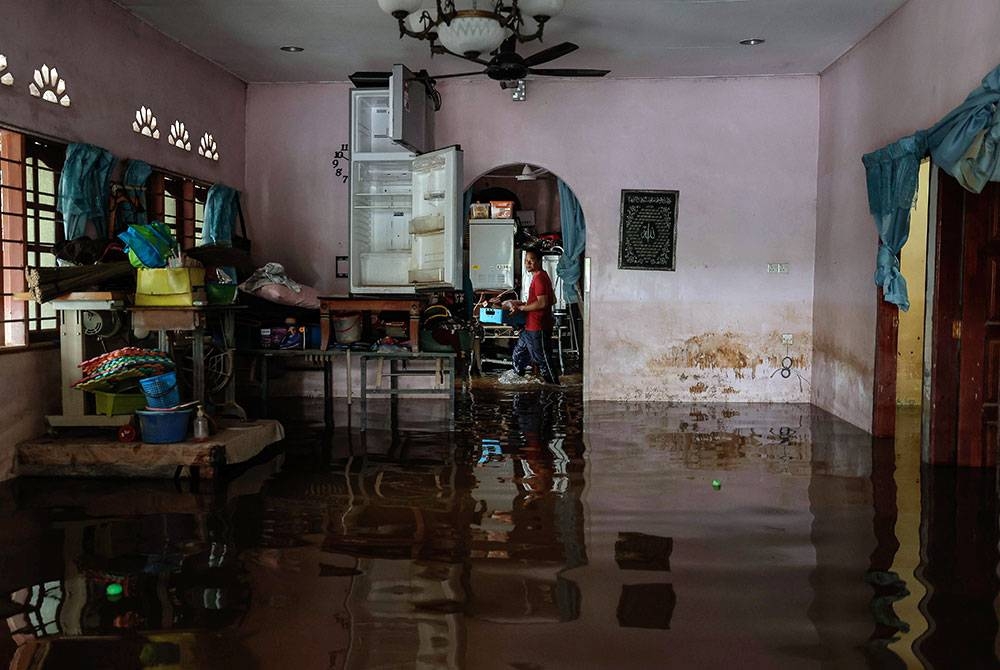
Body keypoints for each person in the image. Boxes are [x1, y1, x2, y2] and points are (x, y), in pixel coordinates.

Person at [508, 249, 559, 384]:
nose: (528, 263)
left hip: (538, 326)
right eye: (526, 260)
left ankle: (554, 387)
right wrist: (524, 304)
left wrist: (522, 308)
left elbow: (543, 302)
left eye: (531, 260)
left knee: (543, 359)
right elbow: (552, 300)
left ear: (539, 261)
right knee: (518, 355)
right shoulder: (540, 276)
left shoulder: (540, 278)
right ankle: (521, 385)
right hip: (529, 326)